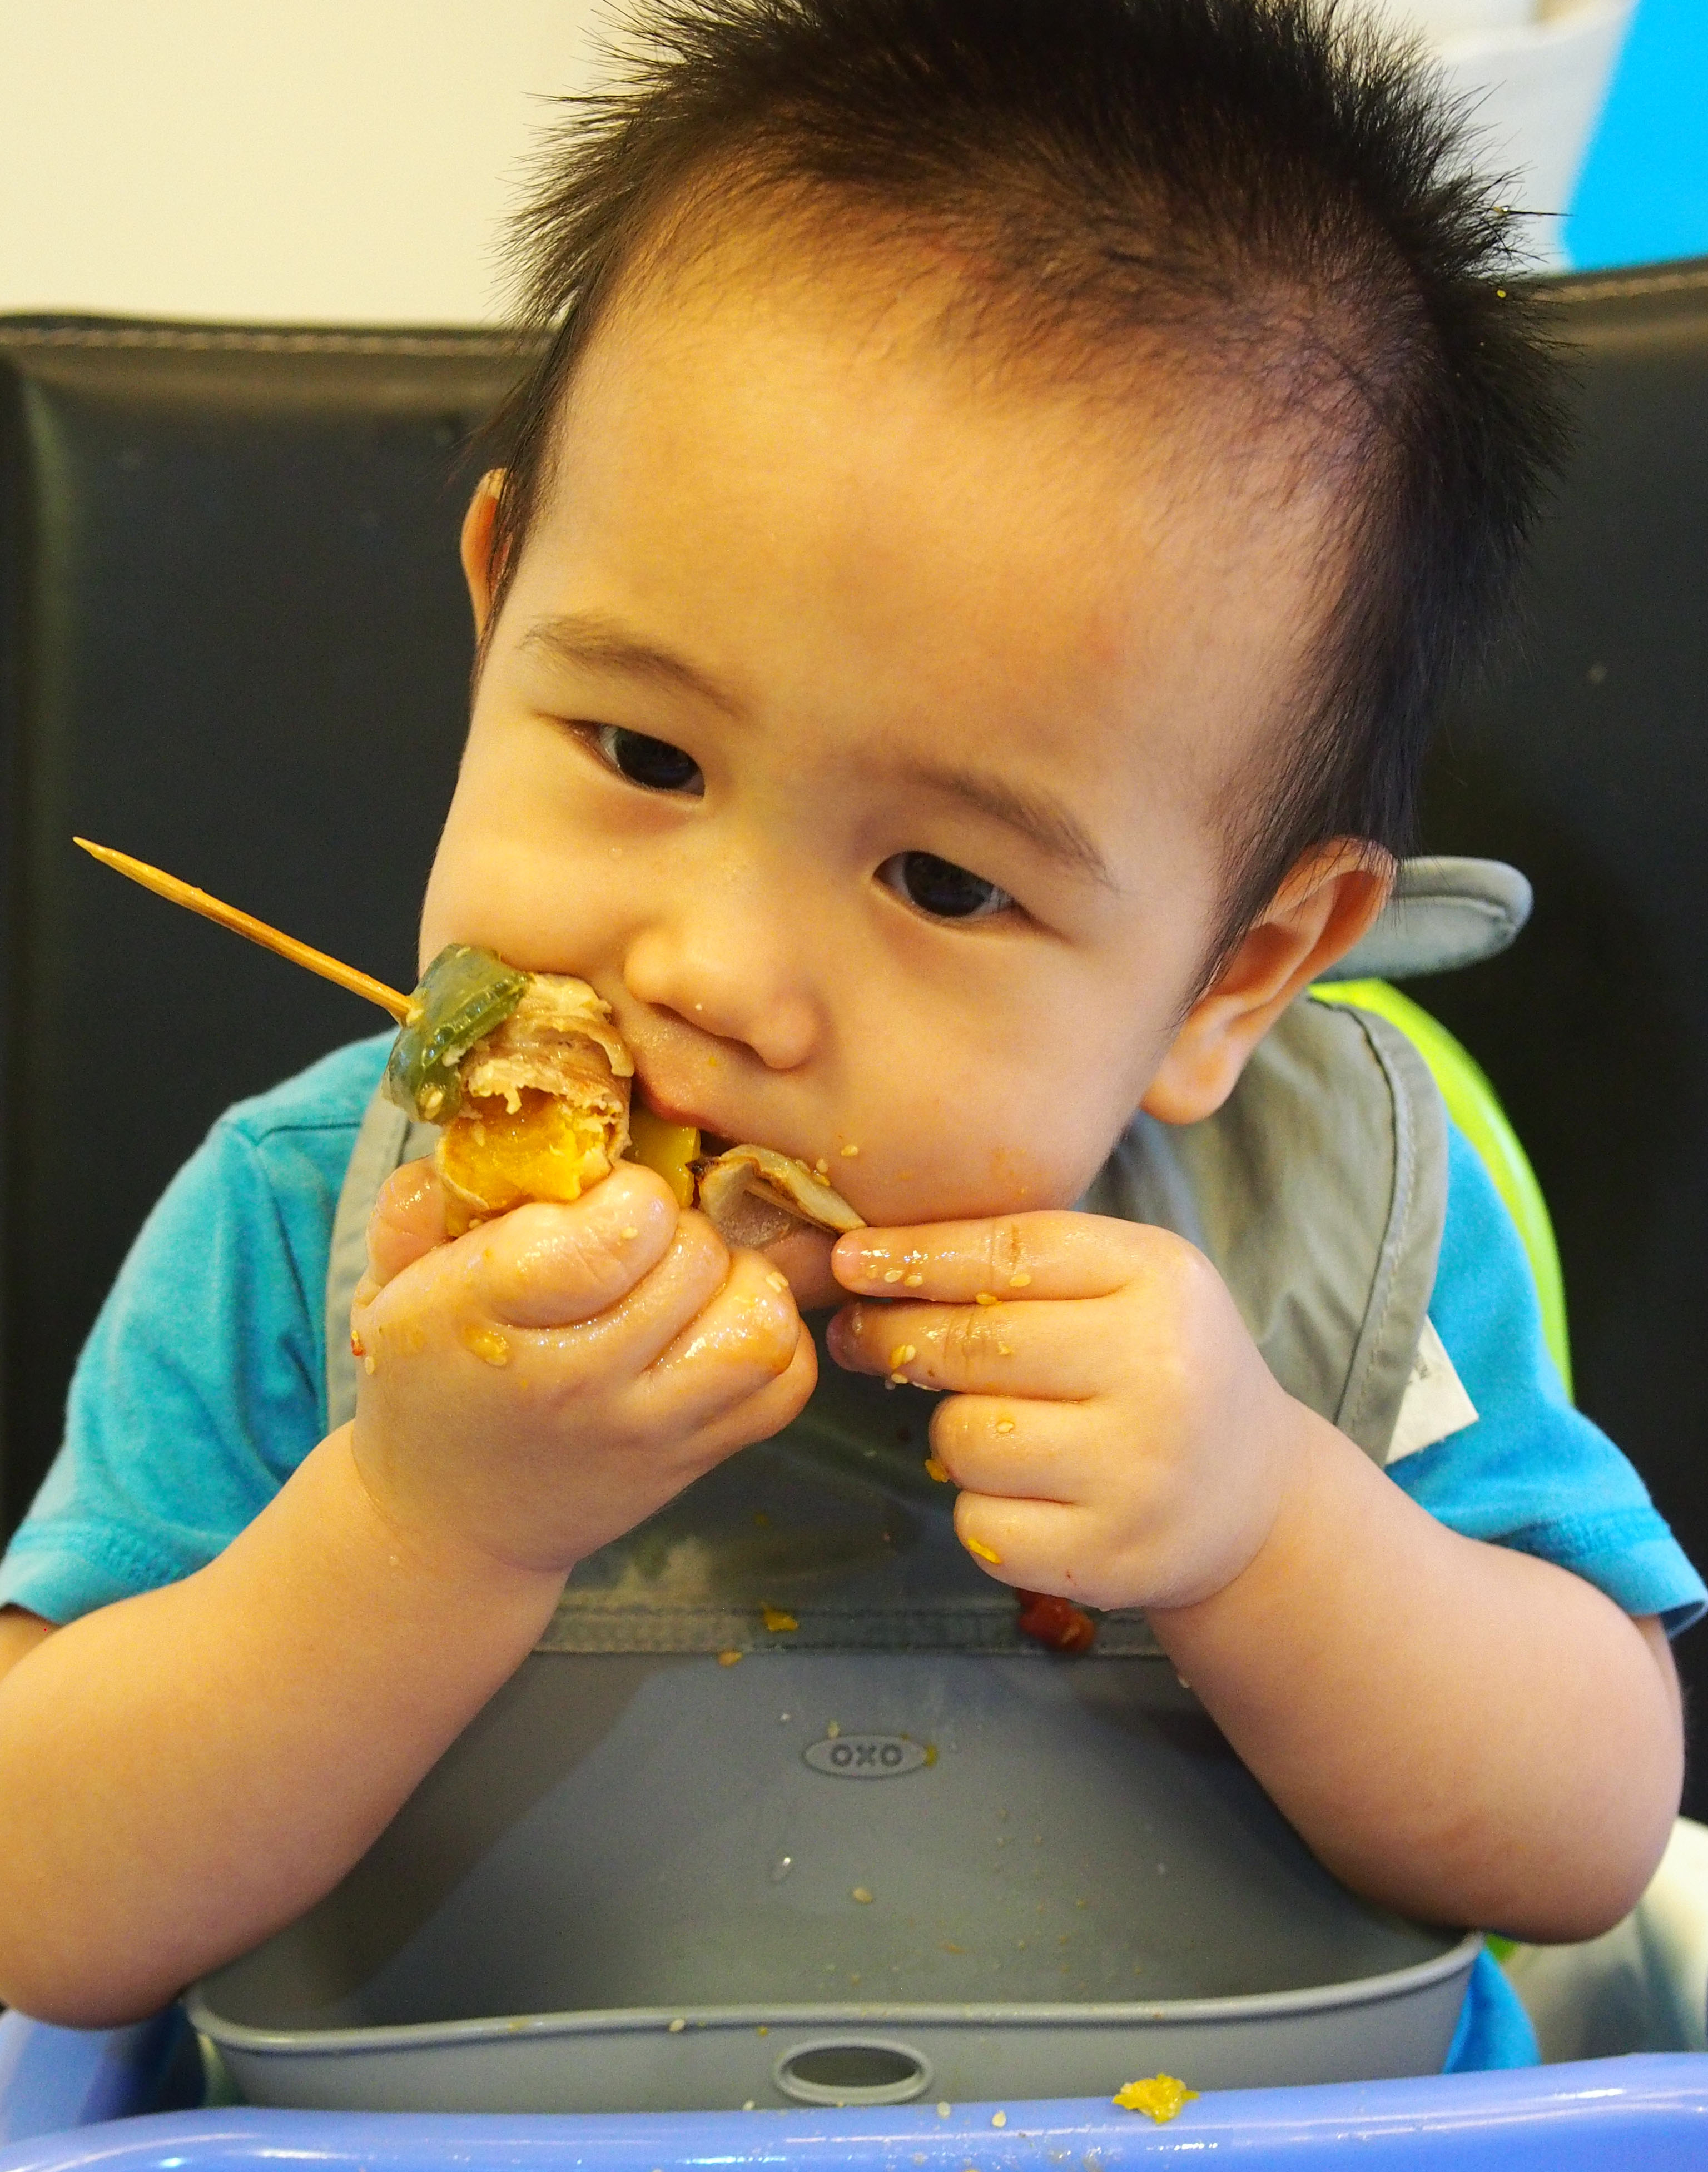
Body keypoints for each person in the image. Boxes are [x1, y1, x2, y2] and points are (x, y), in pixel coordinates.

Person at [0, 0, 1699, 2037]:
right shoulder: (304, 1231)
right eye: (643, 752)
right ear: (498, 606)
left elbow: (1587, 1842)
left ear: (1239, 970)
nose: (712, 973)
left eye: (947, 884)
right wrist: (412, 1528)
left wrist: (1269, 1532)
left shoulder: (1331, 1243)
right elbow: (41, 1901)